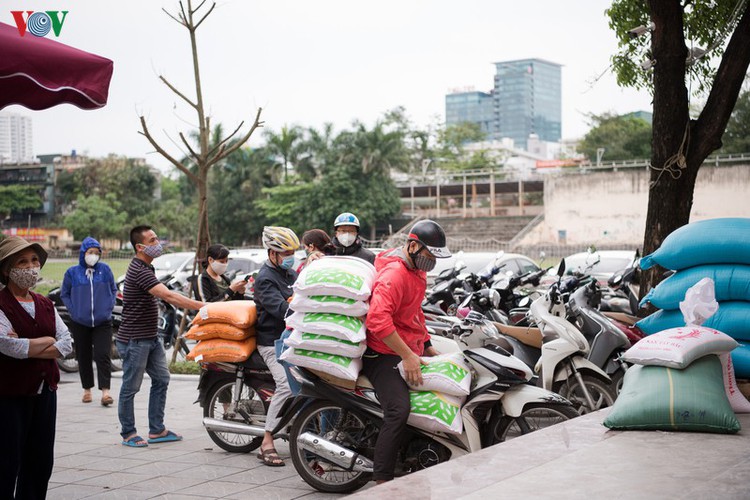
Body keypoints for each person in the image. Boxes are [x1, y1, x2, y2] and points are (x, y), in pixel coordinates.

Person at [362, 219, 451, 483]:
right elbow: (378, 320)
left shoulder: (417, 272)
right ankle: (383, 479)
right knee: (398, 410)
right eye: (429, 254)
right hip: (381, 354)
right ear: (413, 246)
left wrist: (427, 346)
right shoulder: (394, 275)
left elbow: (414, 313)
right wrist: (408, 356)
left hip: (407, 349)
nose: (432, 261)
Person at [117, 226, 205, 448]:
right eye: (152, 239)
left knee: (162, 379)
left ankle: (157, 430)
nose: (158, 243)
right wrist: (203, 307)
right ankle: (128, 433)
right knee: (131, 387)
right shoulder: (139, 270)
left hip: (150, 336)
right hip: (135, 339)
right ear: (140, 246)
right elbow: (167, 295)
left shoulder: (148, 267)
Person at [0, 236, 73, 499]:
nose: (31, 267)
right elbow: (8, 347)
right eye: (22, 261)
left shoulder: (45, 304)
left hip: (45, 393)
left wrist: (30, 345)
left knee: (40, 462)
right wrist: (47, 341)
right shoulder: (1, 304)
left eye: (34, 260)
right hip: (9, 395)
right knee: (6, 461)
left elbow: (66, 344)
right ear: (7, 269)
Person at [254, 226, 300, 466]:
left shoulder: (290, 274)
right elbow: (282, 310)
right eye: (286, 252)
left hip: (291, 340)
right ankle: (267, 441)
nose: (290, 256)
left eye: (292, 251)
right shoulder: (264, 279)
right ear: (272, 253)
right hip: (271, 342)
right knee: (285, 385)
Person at [61, 236, 117, 407]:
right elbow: (65, 293)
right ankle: (87, 390)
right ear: (83, 253)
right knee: (83, 356)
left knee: (102, 355)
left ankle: (105, 391)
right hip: (80, 322)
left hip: (102, 321)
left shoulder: (105, 270)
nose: (93, 255)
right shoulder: (72, 273)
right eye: (90, 252)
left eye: (96, 253)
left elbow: (113, 289)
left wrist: (108, 308)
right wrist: (74, 311)